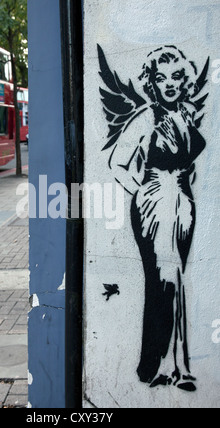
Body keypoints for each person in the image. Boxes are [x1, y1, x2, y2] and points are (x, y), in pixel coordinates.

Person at [99, 45, 208, 392]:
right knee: (162, 281)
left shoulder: (187, 115)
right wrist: (144, 190)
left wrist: (178, 186)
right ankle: (159, 366)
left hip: (183, 203)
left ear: (185, 79)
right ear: (152, 83)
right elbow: (117, 162)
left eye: (177, 76)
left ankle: (174, 366)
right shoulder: (147, 117)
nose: (170, 84)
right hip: (156, 204)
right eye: (161, 78)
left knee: (174, 280)